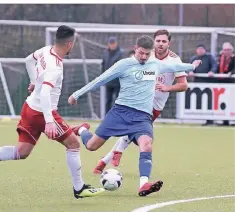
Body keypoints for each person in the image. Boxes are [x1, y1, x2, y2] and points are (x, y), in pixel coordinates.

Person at [0, 25, 105, 199]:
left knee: (21, 152)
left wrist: (34, 80)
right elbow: (45, 93)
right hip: (42, 113)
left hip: (30, 107)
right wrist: (49, 121)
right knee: (74, 144)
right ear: (70, 44)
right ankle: (79, 188)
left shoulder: (46, 50)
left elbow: (28, 60)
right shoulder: (55, 67)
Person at [68, 35, 201, 196]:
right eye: (141, 53)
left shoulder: (155, 64)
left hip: (142, 117)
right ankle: (82, 130)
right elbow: (100, 80)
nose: (144, 57)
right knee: (92, 146)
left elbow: (174, 66)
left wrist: (192, 66)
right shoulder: (124, 64)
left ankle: (143, 184)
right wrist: (76, 94)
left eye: (147, 54)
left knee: (146, 145)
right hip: (120, 112)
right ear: (135, 49)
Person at [93, 29, 188, 174]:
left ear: (169, 43)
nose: (160, 44)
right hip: (137, 100)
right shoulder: (145, 55)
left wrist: (166, 87)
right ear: (154, 41)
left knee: (135, 131)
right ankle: (108, 158)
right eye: (158, 41)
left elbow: (183, 85)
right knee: (135, 131)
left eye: (164, 41)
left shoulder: (175, 60)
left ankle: (109, 157)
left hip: (155, 106)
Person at [102, 36, 124, 113]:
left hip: (118, 82)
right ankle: (107, 117)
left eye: (113, 43)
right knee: (108, 100)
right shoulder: (105, 53)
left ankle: (117, 117)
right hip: (108, 81)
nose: (112, 45)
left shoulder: (121, 53)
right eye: (111, 43)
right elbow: (103, 65)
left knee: (118, 101)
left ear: (116, 43)